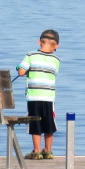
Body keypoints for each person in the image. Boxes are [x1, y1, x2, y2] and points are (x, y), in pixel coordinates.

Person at [17, 29, 61, 160]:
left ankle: (37, 151)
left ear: (39, 42)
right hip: (48, 97)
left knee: (34, 122)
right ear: (56, 45)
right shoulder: (56, 60)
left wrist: (22, 69)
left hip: (33, 96)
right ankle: (48, 150)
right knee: (49, 123)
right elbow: (54, 73)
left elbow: (20, 71)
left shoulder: (30, 55)